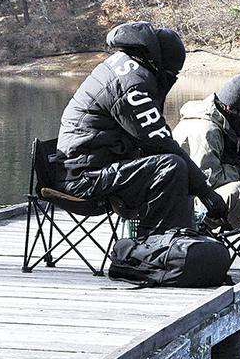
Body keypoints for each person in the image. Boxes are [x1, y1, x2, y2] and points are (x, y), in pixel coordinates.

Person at [56, 21, 227, 239]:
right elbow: (159, 142)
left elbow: (154, 141)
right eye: (171, 74)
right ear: (159, 65)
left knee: (176, 166)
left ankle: (179, 238)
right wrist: (206, 192)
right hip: (83, 178)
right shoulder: (132, 85)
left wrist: (200, 187)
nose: (171, 80)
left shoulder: (125, 64)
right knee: (172, 166)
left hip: (89, 163)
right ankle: (156, 246)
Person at [173, 75, 240, 231]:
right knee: (239, 192)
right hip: (191, 201)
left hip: (214, 197)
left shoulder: (234, 128)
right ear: (230, 109)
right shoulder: (206, 130)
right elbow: (208, 181)